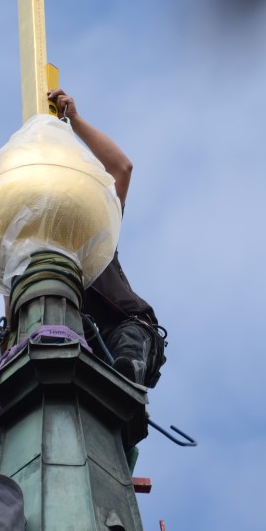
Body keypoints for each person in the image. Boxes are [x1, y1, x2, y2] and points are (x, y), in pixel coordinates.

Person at [47, 89, 167, 388]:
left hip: (125, 328)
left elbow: (121, 168)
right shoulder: (32, 260)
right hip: (80, 347)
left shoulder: (96, 230)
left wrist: (74, 120)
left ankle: (124, 378)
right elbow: (14, 324)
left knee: (126, 348)